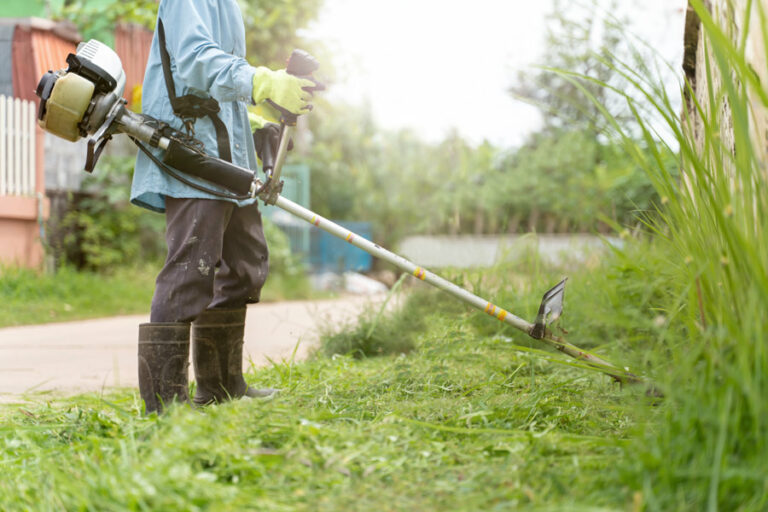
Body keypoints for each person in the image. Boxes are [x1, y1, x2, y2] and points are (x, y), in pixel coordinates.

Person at [130, 0, 313, 413]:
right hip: (193, 151)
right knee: (189, 271)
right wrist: (264, 81)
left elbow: (217, 86)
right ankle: (165, 407)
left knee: (244, 265)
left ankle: (222, 387)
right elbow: (195, 62)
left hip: (230, 157)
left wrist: (250, 122)